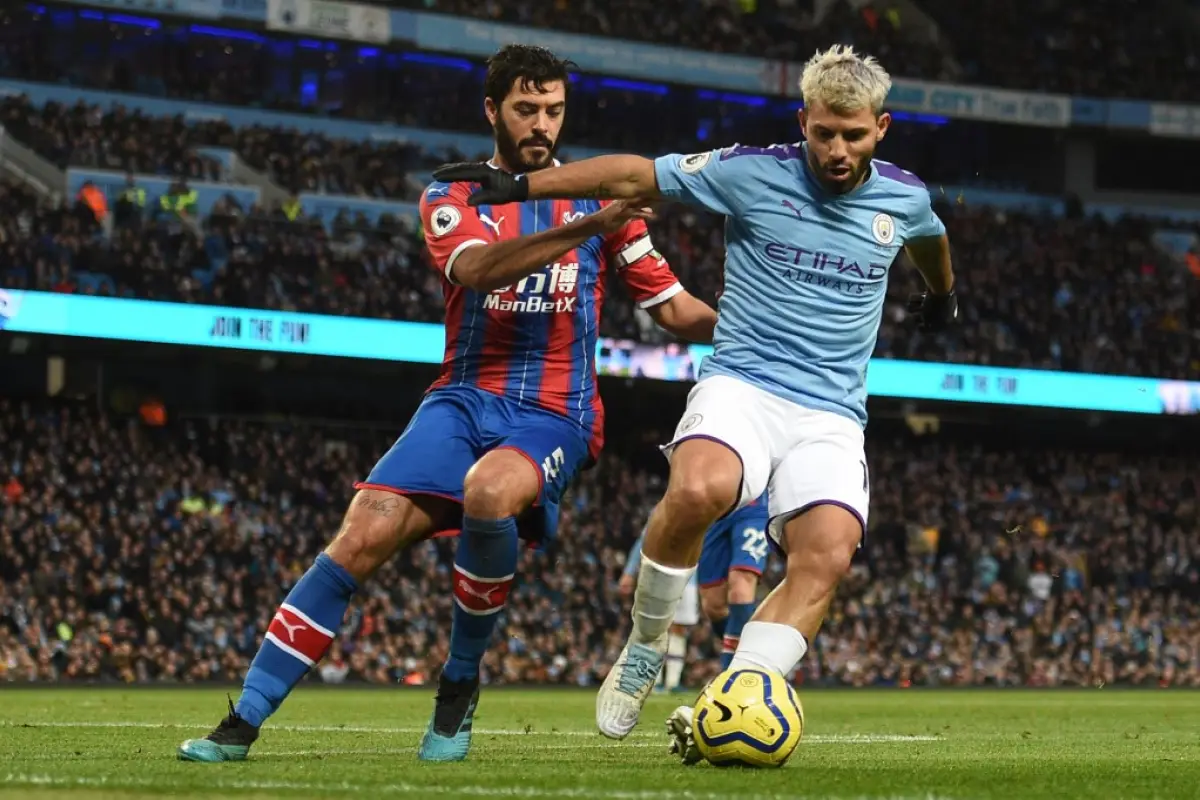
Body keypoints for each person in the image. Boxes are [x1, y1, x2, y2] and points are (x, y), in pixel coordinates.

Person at [176, 44, 717, 764]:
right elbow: (482, 271)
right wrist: (594, 222)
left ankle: (458, 689)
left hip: (556, 409)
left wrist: (761, 324)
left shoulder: (600, 199)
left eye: (553, 110)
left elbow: (674, 310)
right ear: (491, 110)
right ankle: (240, 722)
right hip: (462, 399)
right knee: (360, 534)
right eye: (527, 109)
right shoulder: (451, 195)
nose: (542, 125)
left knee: (490, 491)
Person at [433, 44, 958, 743]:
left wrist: (941, 293)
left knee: (827, 553)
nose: (836, 148)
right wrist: (520, 190)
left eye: (853, 134)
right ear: (803, 120)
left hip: (831, 411)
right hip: (744, 381)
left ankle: (737, 690)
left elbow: (931, 238)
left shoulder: (906, 196)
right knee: (697, 489)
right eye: (823, 131)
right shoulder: (749, 172)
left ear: (881, 129)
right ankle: (646, 646)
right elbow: (634, 173)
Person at [620, 527, 700, 694]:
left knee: (679, 629)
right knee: (656, 627)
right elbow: (644, 540)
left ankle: (672, 682)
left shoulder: (702, 507)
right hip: (662, 575)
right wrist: (629, 572)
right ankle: (653, 681)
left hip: (689, 577)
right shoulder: (663, 509)